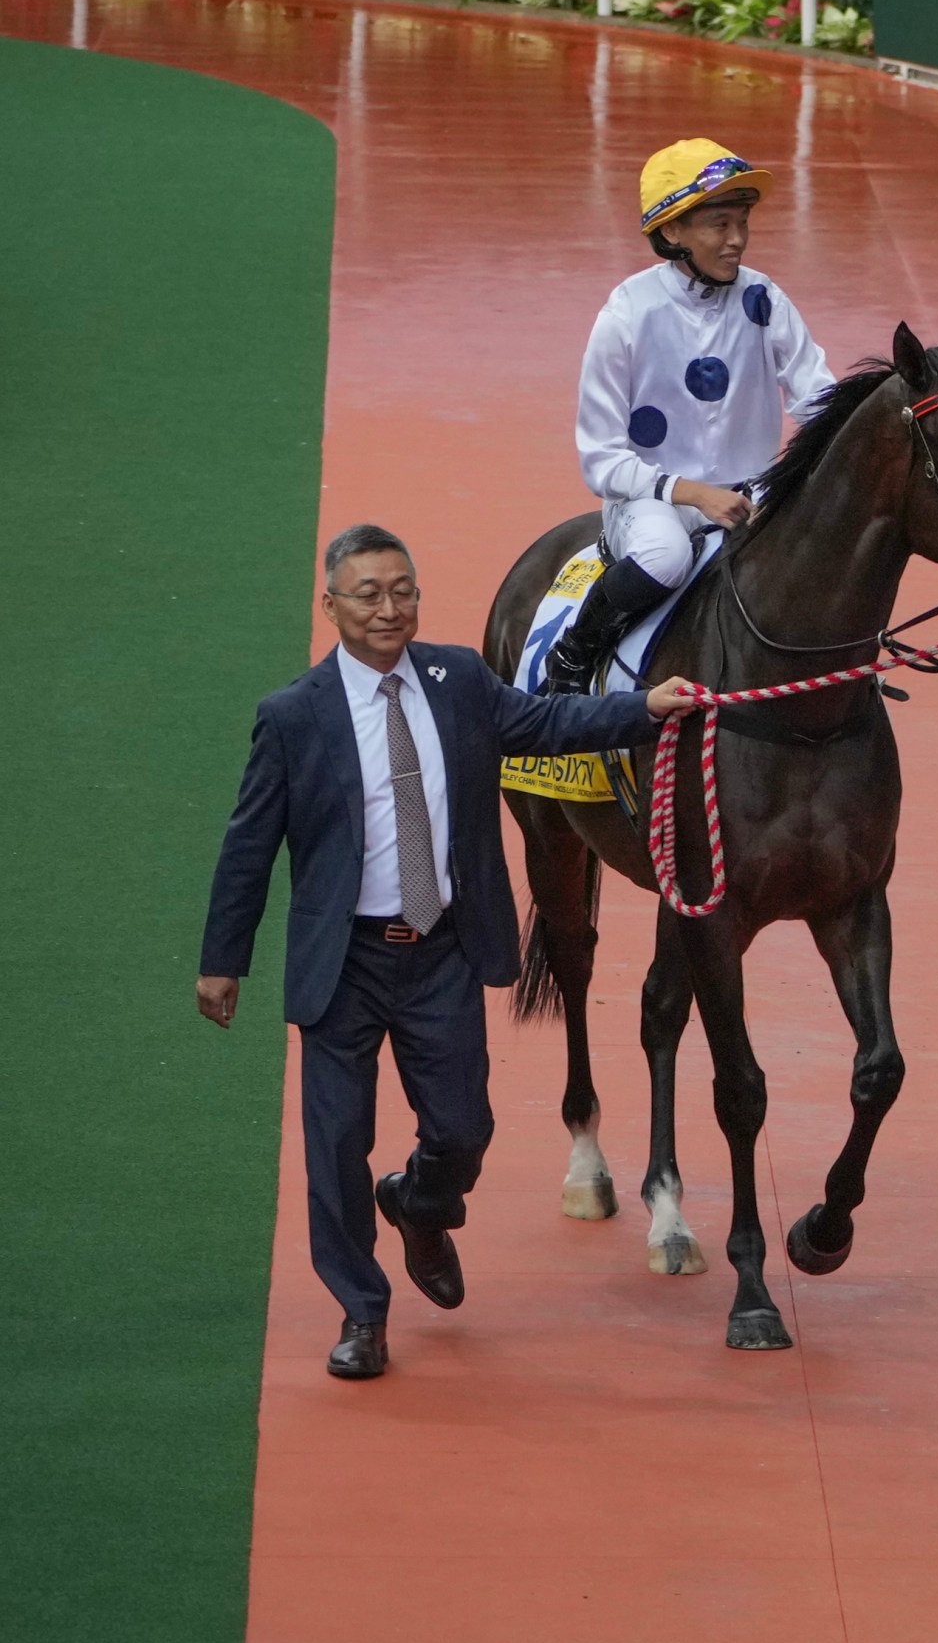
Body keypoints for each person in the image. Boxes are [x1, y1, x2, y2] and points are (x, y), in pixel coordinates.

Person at [197, 527, 687, 1378]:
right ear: (332, 607)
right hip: (341, 962)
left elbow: (545, 723)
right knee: (337, 1144)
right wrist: (222, 959)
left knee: (465, 1129)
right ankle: (361, 1312)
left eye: (402, 590)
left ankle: (420, 1201)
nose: (389, 608)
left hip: (442, 952)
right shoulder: (292, 716)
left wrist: (642, 708)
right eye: (368, 594)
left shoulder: (458, 679)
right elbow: (249, 847)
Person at [541, 142, 838, 696]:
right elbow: (601, 460)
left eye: (743, 222)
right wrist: (696, 494)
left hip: (753, 494)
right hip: (654, 504)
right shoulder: (626, 316)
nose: (737, 240)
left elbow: (818, 396)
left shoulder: (764, 298)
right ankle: (575, 655)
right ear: (673, 231)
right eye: (719, 224)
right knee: (665, 556)